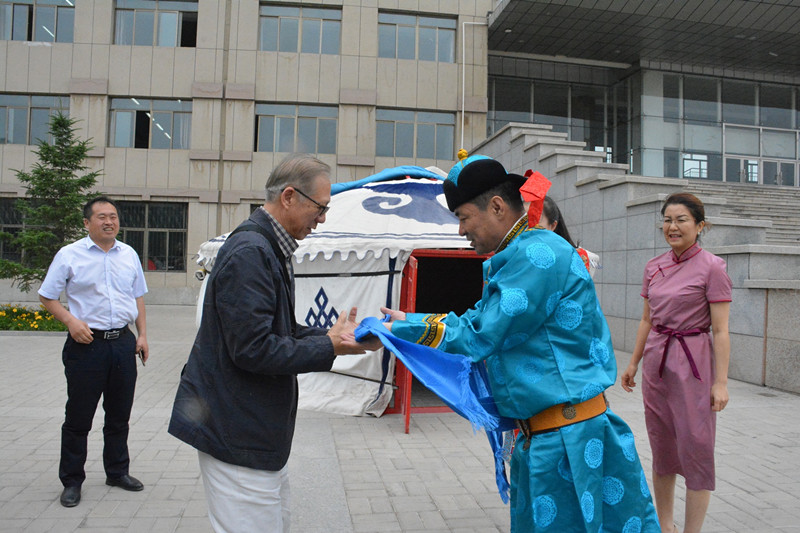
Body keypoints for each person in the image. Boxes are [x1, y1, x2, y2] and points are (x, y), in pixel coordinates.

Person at [380, 156, 660, 532]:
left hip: (566, 441)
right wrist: (406, 321)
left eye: (463, 217)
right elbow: (477, 320)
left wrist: (399, 332)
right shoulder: (518, 258)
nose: (461, 231)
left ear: (496, 206)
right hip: (551, 436)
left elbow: (482, 334)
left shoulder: (537, 255)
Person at [168, 154, 374, 533]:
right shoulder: (252, 253)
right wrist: (330, 347)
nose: (323, 219)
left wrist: (333, 337)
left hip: (251, 429)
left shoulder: (268, 247)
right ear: (290, 197)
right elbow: (254, 349)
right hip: (235, 431)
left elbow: (274, 328)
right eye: (320, 208)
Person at [621, 193, 731, 533]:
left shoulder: (713, 267)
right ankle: (664, 526)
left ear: (700, 225)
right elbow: (646, 320)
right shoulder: (653, 266)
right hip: (657, 361)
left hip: (694, 362)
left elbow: (721, 329)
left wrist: (721, 382)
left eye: (681, 219)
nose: (673, 226)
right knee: (662, 445)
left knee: (697, 446)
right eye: (667, 220)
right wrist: (633, 363)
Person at [38, 196, 149, 508]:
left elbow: (137, 296)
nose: (109, 221)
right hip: (86, 346)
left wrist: (142, 335)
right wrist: (71, 321)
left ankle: (117, 471)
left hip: (123, 344)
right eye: (101, 216)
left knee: (119, 415)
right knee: (78, 418)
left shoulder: (128, 254)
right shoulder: (69, 255)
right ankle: (72, 481)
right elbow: (47, 297)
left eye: (113, 216)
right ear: (87, 223)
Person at [539, 195, 599, 277]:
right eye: (523, 223)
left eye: (535, 220)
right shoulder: (518, 254)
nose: (528, 229)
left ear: (553, 225)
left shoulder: (576, 258)